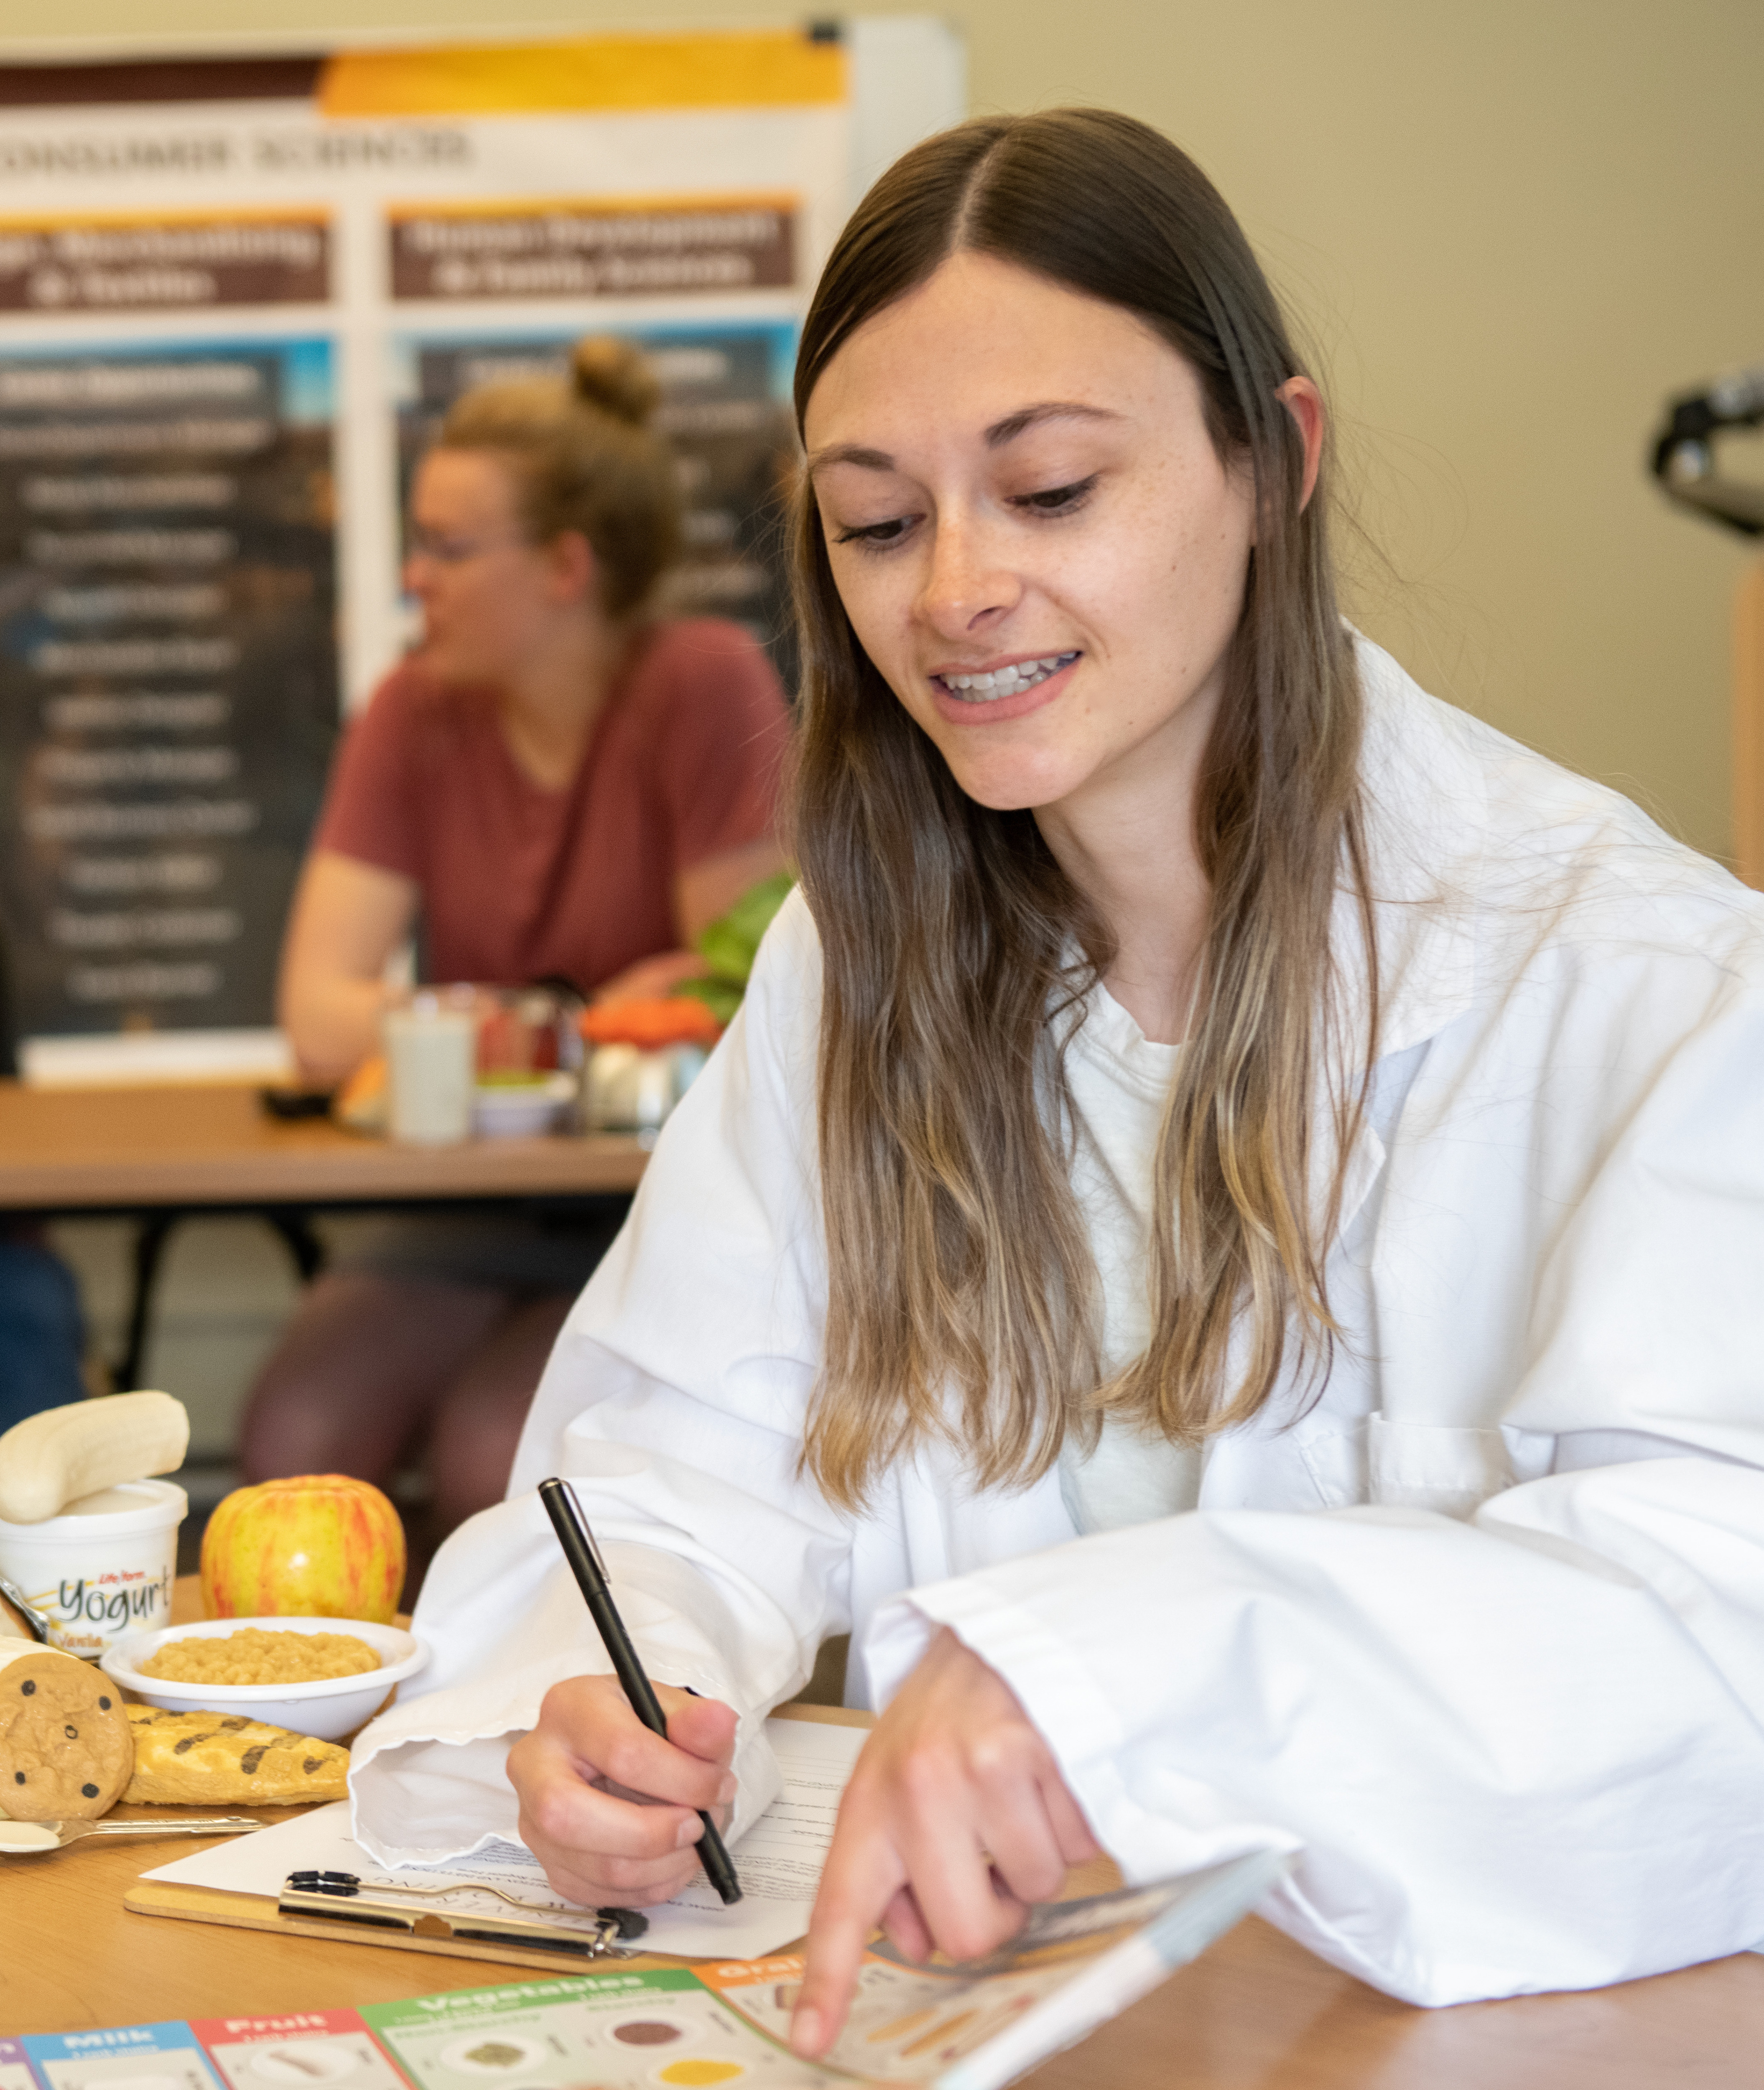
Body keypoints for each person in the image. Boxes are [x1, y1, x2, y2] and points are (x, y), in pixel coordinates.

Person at [349, 109, 1764, 2045]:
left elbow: (1711, 1640)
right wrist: (617, 1698)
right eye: (874, 520)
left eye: (1047, 489)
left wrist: (1096, 1675)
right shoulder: (862, 968)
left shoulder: (1643, 983)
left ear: (1273, 460)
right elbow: (675, 1469)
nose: (952, 593)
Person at [240, 336, 789, 1534]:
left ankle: (492, 1714)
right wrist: (579, 1023)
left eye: (446, 546)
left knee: (501, 1452)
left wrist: (468, 1033)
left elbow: (740, 990)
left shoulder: (704, 683)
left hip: (653, 1203)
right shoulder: (410, 709)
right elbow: (320, 1021)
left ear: (564, 566)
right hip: (472, 1197)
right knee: (292, 1440)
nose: (412, 580)